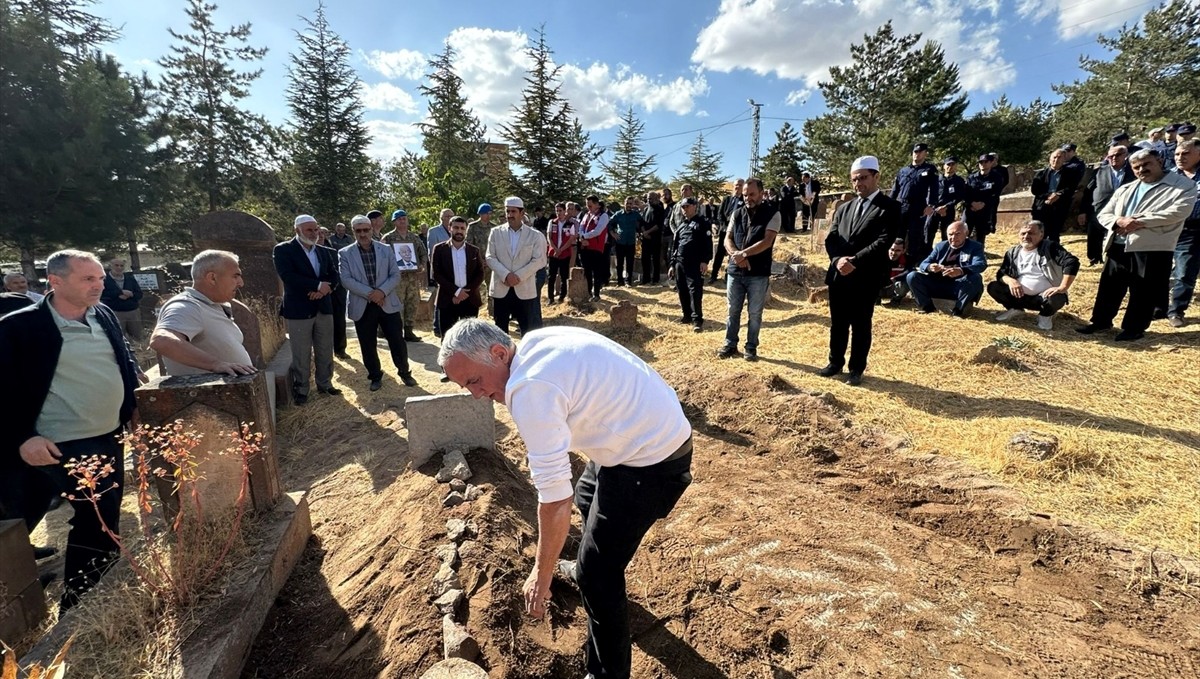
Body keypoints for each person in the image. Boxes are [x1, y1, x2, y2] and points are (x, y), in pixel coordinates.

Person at [438, 319, 693, 679]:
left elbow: (555, 499)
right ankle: (584, 563)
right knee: (589, 495)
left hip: (652, 463)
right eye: (466, 386)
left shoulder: (529, 388)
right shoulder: (534, 342)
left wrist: (540, 579)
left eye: (475, 381)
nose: (476, 395)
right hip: (644, 433)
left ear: (498, 353)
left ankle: (607, 673)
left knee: (598, 577)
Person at [0, 249, 142, 610]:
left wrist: (132, 408)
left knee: (102, 516)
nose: (99, 284)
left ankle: (94, 595)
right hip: (61, 441)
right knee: (96, 519)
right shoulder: (20, 327)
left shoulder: (104, 314)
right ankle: (82, 605)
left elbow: (123, 361)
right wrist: (22, 438)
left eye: (100, 277)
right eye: (88, 279)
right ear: (56, 281)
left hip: (108, 433)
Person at [1077, 149, 1198, 341]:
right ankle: (1101, 322)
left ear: (1159, 161)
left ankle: (1134, 328)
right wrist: (1118, 222)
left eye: (1146, 164)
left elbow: (1178, 212)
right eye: (1136, 167)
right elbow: (1104, 213)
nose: (1142, 169)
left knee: (1143, 290)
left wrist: (1137, 222)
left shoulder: (1183, 185)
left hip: (1152, 246)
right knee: (1110, 287)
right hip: (1118, 243)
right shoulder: (1127, 188)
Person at [821, 156, 901, 385]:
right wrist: (837, 260)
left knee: (861, 324)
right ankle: (835, 362)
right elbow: (832, 238)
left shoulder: (890, 207)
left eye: (863, 178)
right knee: (838, 322)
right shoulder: (845, 208)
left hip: (866, 275)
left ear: (876, 177)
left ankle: (856, 368)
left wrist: (854, 261)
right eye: (854, 180)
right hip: (839, 274)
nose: (858, 184)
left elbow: (883, 241)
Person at [339, 215, 417, 392]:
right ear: (354, 232)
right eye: (358, 231)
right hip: (363, 305)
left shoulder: (385, 249)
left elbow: (395, 274)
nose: (363, 234)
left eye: (366, 230)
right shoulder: (345, 253)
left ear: (370, 229)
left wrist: (381, 292)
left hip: (387, 302)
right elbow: (346, 279)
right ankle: (375, 376)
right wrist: (371, 294)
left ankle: (405, 372)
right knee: (367, 343)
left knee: (397, 341)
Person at [149, 250, 256, 376]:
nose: (241, 283)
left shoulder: (210, 304)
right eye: (235, 276)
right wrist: (216, 364)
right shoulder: (187, 306)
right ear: (212, 278)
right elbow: (161, 340)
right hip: (206, 394)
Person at [274, 214, 341, 405]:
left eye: (316, 229)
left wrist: (323, 290)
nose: (314, 233)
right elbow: (288, 276)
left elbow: (334, 276)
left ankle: (325, 384)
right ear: (297, 230)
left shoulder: (323, 251)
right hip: (299, 310)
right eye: (309, 230)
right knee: (301, 352)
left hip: (323, 307)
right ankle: (302, 389)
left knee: (325, 348)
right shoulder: (283, 250)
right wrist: (318, 286)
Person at [718, 177, 778, 361]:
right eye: (745, 195)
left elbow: (767, 241)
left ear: (761, 193)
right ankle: (730, 344)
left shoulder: (773, 213)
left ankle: (751, 347)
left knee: (754, 313)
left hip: (757, 273)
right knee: (732, 310)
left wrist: (743, 255)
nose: (748, 198)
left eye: (752, 194)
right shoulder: (737, 213)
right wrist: (737, 255)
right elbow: (727, 238)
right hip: (735, 271)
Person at [989, 220, 1079, 330]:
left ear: (1041, 234)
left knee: (1058, 298)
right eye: (1023, 233)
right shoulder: (1013, 252)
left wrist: (1063, 287)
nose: (1026, 236)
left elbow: (1072, 262)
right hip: (1019, 295)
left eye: (1031, 233)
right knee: (993, 287)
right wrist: (1011, 281)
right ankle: (1015, 309)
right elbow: (1001, 274)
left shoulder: (1050, 248)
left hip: (1044, 298)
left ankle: (1045, 315)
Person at [487, 197, 547, 335]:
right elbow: (490, 257)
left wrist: (519, 276)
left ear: (522, 213)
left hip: (525, 289)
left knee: (527, 331)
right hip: (501, 287)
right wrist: (506, 275)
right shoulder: (495, 233)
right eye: (507, 211)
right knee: (500, 331)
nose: (509, 215)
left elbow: (539, 260)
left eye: (513, 211)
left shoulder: (534, 235)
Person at [906, 221, 988, 317]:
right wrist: (930, 267)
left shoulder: (975, 247)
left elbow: (980, 264)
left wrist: (961, 270)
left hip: (959, 286)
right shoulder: (941, 246)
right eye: (950, 234)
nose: (953, 237)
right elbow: (923, 264)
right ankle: (927, 307)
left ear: (966, 233)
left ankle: (958, 311)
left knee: (976, 278)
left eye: (958, 234)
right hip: (937, 283)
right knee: (912, 276)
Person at [1080, 144, 1135, 266]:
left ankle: (1114, 259)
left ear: (1126, 155)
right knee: (1094, 235)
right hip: (1099, 208)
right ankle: (1094, 258)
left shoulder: (1133, 171)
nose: (1114, 158)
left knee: (1118, 235)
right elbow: (1088, 192)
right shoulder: (1099, 172)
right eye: (1110, 156)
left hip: (1124, 210)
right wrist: (1083, 211)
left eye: (1118, 155)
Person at [431, 215, 485, 336]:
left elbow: (480, 273)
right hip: (447, 299)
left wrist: (464, 293)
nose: (459, 231)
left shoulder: (474, 250)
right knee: (447, 338)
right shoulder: (439, 249)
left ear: (466, 230)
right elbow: (437, 274)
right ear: (450, 228)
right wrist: (456, 292)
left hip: (470, 299)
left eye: (462, 228)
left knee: (470, 338)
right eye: (456, 227)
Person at [1166, 139, 1200, 327]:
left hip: (1192, 230)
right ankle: (1158, 307)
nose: (1180, 157)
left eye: (1185, 153)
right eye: (1177, 154)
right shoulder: (1169, 176)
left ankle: (1176, 310)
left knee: (1185, 271)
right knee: (1160, 269)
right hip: (1166, 228)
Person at [382, 209, 428, 342]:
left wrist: (422, 265)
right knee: (397, 304)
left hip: (412, 278)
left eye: (404, 218)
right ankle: (396, 332)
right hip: (396, 279)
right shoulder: (388, 238)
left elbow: (423, 253)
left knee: (412, 303)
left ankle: (409, 331)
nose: (402, 221)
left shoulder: (414, 237)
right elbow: (382, 257)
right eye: (399, 219)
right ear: (394, 222)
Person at [891, 143, 940, 262]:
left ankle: (911, 264)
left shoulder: (929, 169)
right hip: (902, 205)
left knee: (915, 237)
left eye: (920, 152)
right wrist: (890, 204)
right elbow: (895, 189)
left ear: (925, 153)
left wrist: (931, 205)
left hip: (918, 207)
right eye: (915, 152)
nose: (917, 154)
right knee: (898, 236)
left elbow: (934, 188)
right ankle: (897, 263)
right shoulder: (904, 170)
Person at [669, 197, 712, 332]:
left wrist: (705, 260)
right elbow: (675, 246)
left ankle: (697, 320)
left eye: (687, 206)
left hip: (694, 263)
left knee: (695, 291)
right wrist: (672, 264)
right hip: (680, 263)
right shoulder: (681, 225)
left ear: (694, 206)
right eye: (683, 207)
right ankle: (686, 315)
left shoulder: (702, 223)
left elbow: (707, 244)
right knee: (682, 289)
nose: (685, 209)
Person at [1030, 149, 1083, 242]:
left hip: (1059, 207)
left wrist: (1058, 194)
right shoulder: (1041, 174)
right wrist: (1049, 195)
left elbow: (1071, 188)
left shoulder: (1070, 173)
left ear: (1064, 160)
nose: (1056, 160)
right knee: (1040, 234)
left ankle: (1053, 254)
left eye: (1059, 157)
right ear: (1050, 159)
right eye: (1054, 157)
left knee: (1054, 234)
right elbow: (1035, 190)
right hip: (1042, 207)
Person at [101, 257, 143, 340]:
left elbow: (139, 294)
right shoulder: (104, 280)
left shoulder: (130, 279)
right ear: (111, 266)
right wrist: (119, 293)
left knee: (137, 338)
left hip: (132, 312)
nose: (119, 268)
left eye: (121, 266)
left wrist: (131, 294)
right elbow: (101, 295)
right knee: (118, 338)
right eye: (116, 265)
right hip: (115, 312)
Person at [965, 154, 1002, 249]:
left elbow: (995, 194)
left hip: (984, 210)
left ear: (991, 163)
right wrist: (972, 203)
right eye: (981, 162)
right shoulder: (972, 177)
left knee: (981, 234)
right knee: (964, 232)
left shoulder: (996, 177)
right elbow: (965, 193)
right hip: (970, 209)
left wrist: (983, 204)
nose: (983, 164)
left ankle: (979, 255)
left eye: (986, 162)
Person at [577, 195, 610, 301]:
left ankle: (596, 294)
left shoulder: (603, 216)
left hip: (596, 247)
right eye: (587, 205)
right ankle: (588, 292)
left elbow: (598, 230)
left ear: (597, 204)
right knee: (587, 271)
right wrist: (581, 237)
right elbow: (581, 227)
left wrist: (584, 236)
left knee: (597, 271)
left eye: (590, 205)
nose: (588, 207)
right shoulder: (586, 214)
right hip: (585, 247)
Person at [712, 179, 745, 283]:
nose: (737, 187)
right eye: (736, 185)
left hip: (737, 231)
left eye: (740, 185)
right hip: (724, 230)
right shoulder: (727, 199)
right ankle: (713, 275)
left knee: (732, 253)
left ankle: (729, 276)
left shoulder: (745, 200)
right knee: (719, 254)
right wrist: (723, 225)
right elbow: (720, 214)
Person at [545, 202, 577, 304]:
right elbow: (549, 237)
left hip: (565, 253)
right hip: (553, 253)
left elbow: (571, 239)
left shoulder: (570, 224)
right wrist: (555, 249)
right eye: (557, 211)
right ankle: (550, 298)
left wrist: (561, 249)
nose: (558, 213)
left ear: (565, 211)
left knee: (564, 276)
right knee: (551, 276)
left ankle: (562, 297)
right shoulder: (552, 222)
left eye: (560, 211)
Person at [933, 157, 967, 243]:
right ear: (944, 166)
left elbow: (959, 196)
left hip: (949, 210)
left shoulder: (959, 181)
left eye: (953, 164)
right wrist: (937, 208)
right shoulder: (935, 179)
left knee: (947, 233)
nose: (950, 166)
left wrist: (946, 207)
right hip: (934, 210)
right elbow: (930, 195)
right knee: (929, 232)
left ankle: (946, 253)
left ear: (956, 166)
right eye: (948, 164)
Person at [639, 191, 666, 284]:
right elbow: (642, 222)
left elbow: (659, 224)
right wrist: (644, 232)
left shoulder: (659, 209)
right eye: (647, 198)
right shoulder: (646, 209)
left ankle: (655, 279)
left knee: (655, 260)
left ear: (656, 199)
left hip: (655, 238)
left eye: (650, 198)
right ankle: (646, 279)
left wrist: (648, 232)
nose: (648, 200)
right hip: (646, 238)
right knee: (645, 259)